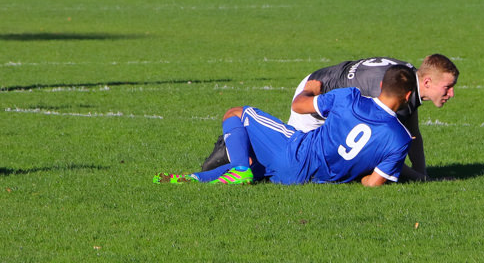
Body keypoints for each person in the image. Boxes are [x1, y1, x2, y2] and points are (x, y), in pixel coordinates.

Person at [200, 54, 459, 181]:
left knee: (304, 163)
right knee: (296, 157)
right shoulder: (377, 92)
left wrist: (422, 175)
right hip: (317, 91)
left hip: (336, 98)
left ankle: (248, 165)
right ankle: (234, 155)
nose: (451, 94)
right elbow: (378, 145)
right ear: (426, 82)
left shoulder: (404, 82)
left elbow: (412, 133)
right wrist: (412, 175)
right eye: (447, 87)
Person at [154, 65, 416, 186]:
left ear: (381, 85)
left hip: (295, 152)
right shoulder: (400, 139)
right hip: (307, 179)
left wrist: (310, 90)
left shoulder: (349, 97)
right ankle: (189, 180)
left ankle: (240, 166)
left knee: (235, 113)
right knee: (259, 165)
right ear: (407, 97)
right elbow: (372, 184)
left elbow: (299, 106)